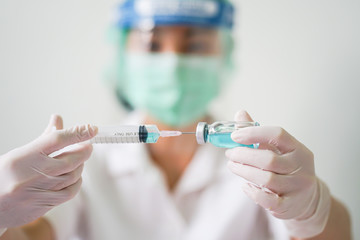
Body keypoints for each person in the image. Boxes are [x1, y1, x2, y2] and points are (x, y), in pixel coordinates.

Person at [0, 0, 352, 239]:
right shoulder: (86, 164)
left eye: (195, 44)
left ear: (224, 54)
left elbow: (339, 233)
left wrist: (312, 210)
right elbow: (35, 234)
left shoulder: (258, 162)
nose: (173, 63)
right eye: (152, 46)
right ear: (123, 55)